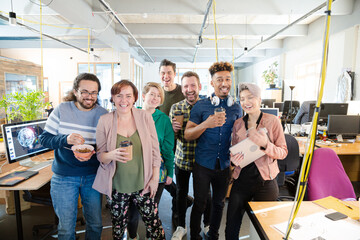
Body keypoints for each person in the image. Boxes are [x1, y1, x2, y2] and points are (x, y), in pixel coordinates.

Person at [92, 80, 165, 240]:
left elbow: (155, 151)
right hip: (117, 187)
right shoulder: (104, 121)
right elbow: (100, 156)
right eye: (119, 96)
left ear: (134, 98)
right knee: (118, 230)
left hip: (144, 183)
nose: (123, 100)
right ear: (113, 98)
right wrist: (111, 155)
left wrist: (154, 179)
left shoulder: (145, 117)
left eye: (128, 96)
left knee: (154, 227)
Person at [39, 73, 108, 240]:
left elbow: (107, 145)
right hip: (64, 177)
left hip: (93, 176)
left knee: (95, 224)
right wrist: (66, 139)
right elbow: (44, 139)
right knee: (66, 229)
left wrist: (94, 152)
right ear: (76, 91)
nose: (89, 96)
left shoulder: (103, 114)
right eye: (85, 91)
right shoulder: (62, 110)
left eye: (94, 92)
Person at [185, 62, 242, 240]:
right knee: (200, 203)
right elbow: (187, 134)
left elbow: (240, 136)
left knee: (219, 204)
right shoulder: (201, 106)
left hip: (224, 165)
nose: (224, 83)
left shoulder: (237, 107)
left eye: (227, 79)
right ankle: (195, 236)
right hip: (203, 164)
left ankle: (213, 235)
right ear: (212, 83)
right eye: (219, 79)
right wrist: (206, 124)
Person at [225, 83, 288, 240]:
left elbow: (283, 152)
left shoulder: (272, 121)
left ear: (259, 99)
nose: (246, 102)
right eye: (242, 99)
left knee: (264, 229)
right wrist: (233, 160)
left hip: (265, 181)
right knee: (231, 225)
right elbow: (233, 151)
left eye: (250, 97)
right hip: (241, 181)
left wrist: (266, 145)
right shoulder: (238, 123)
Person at [127, 82, 174, 240]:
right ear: (143, 96)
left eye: (158, 95)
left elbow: (168, 149)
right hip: (133, 171)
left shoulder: (164, 120)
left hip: (157, 172)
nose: (155, 97)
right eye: (152, 94)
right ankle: (132, 236)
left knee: (151, 211)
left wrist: (170, 172)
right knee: (132, 213)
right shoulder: (131, 114)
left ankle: (150, 237)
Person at [169, 71, 212, 239]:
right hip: (183, 158)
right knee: (180, 193)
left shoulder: (208, 107)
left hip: (203, 160)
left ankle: (207, 224)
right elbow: (172, 138)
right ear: (182, 89)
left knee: (205, 194)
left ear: (200, 86)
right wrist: (173, 131)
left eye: (193, 85)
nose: (190, 89)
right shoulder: (176, 108)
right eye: (186, 86)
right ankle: (181, 226)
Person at [157, 59, 193, 225]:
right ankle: (183, 199)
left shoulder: (182, 92)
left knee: (174, 179)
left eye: (169, 73)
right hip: (163, 145)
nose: (166, 76)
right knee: (162, 177)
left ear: (174, 74)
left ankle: (176, 211)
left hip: (181, 145)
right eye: (163, 73)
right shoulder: (158, 94)